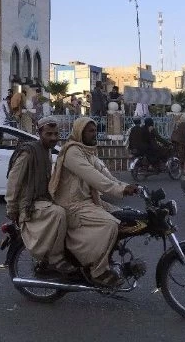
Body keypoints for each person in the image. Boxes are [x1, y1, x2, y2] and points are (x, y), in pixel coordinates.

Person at [49, 117, 139, 287]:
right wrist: (119, 190)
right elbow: (95, 178)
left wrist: (128, 186)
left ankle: (109, 257)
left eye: (95, 130)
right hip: (72, 205)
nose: (94, 134)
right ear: (80, 132)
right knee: (111, 224)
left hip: (88, 201)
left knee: (126, 215)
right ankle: (98, 270)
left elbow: (105, 175)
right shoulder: (72, 153)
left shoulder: (87, 152)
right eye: (90, 131)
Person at [5, 117, 76, 277]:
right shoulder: (29, 152)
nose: (53, 137)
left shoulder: (47, 150)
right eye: (48, 134)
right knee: (58, 213)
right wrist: (11, 208)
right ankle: (55, 259)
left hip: (43, 200)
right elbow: (13, 181)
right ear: (39, 133)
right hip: (29, 205)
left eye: (56, 134)